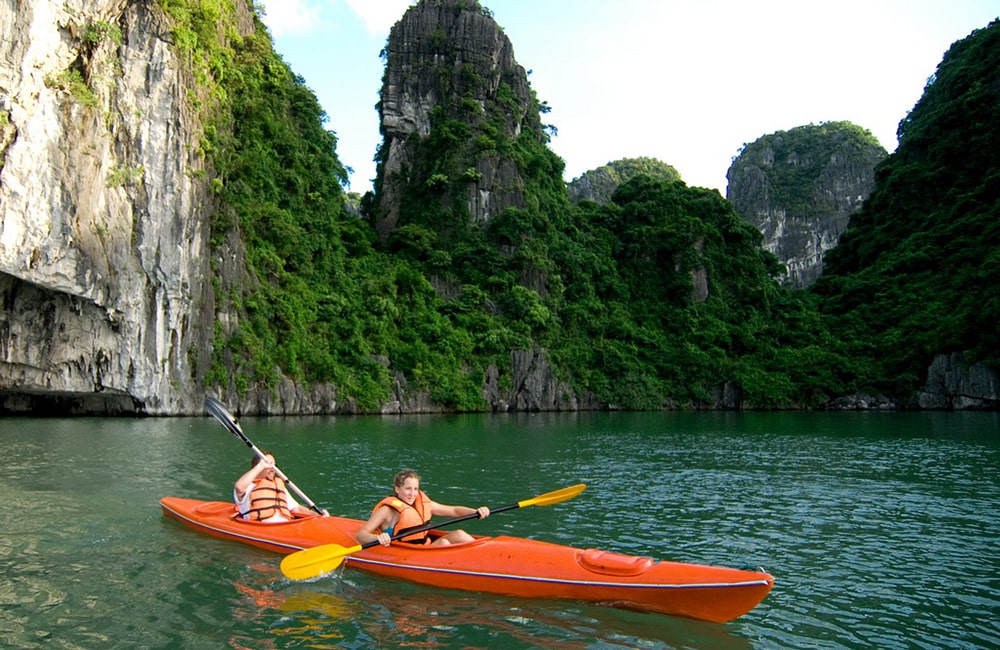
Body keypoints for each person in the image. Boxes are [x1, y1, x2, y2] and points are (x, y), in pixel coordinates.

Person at [355, 469, 490, 547]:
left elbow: (454, 511)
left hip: (426, 546)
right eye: (408, 489)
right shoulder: (387, 510)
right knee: (443, 542)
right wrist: (379, 539)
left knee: (459, 533)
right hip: (408, 553)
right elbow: (361, 535)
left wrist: (476, 512)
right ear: (397, 489)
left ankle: (486, 555)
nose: (412, 494)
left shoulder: (424, 504)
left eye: (415, 489)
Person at [233, 452, 327, 522]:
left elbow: (296, 508)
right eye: (268, 466)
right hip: (261, 527)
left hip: (286, 525)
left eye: (274, 466)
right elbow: (239, 487)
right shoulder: (247, 486)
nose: (273, 470)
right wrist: (261, 465)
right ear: (257, 467)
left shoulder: (278, 486)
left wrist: (317, 516)